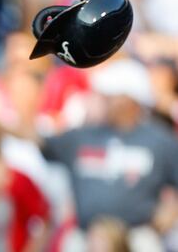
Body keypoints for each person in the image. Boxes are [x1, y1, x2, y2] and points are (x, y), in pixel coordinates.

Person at [41, 58, 178, 251]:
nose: (102, 100)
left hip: (136, 236)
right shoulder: (83, 135)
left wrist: (172, 209)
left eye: (109, 96)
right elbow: (41, 144)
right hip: (86, 237)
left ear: (129, 99)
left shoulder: (160, 140)